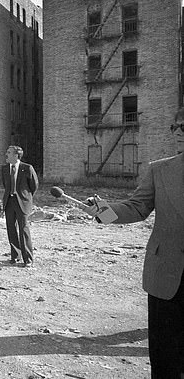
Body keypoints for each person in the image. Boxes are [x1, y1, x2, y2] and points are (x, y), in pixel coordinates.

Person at [83, 106, 184, 378]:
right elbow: (137, 207)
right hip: (168, 278)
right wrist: (103, 211)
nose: (179, 133)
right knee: (167, 360)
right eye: (177, 127)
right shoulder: (160, 171)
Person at [1, 145, 39, 267]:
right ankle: (15, 256)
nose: (6, 154)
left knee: (23, 229)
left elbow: (34, 185)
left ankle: (28, 259)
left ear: (16, 155)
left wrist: (25, 197)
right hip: (9, 202)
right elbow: (5, 185)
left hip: (22, 202)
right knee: (11, 229)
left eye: (9, 152)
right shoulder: (4, 169)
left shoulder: (27, 168)